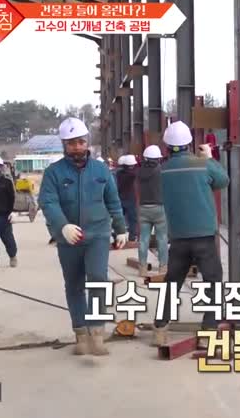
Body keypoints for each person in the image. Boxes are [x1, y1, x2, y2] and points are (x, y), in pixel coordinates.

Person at [38, 117, 129, 356]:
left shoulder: (101, 170)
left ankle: (97, 332)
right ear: (64, 145)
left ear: (87, 142)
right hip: (68, 238)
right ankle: (80, 333)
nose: (77, 147)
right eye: (71, 143)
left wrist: (120, 227)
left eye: (80, 142)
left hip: (98, 234)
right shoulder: (53, 173)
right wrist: (62, 226)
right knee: (74, 284)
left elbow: (113, 200)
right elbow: (48, 202)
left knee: (98, 279)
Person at [152, 121, 229, 347]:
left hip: (178, 237)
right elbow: (223, 180)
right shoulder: (202, 164)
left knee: (172, 282)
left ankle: (160, 328)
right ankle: (208, 333)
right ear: (189, 143)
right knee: (213, 282)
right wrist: (209, 157)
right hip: (204, 235)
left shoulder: (162, 170)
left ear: (167, 146)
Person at [137, 144, 168, 276]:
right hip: (159, 207)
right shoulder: (161, 170)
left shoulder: (139, 171)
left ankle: (142, 268)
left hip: (143, 208)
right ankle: (163, 268)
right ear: (158, 158)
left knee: (143, 239)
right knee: (162, 238)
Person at [115, 154, 139, 242]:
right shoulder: (134, 174)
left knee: (119, 219)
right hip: (130, 200)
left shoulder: (118, 173)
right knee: (132, 220)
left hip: (120, 198)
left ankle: (117, 235)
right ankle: (132, 238)